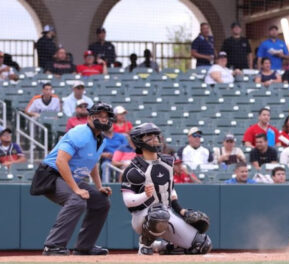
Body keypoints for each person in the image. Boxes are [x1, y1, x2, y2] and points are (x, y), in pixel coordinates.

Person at [34, 102, 113, 256]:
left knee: (101, 201)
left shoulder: (101, 139)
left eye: (106, 117)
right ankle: (53, 246)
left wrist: (99, 187)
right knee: (77, 200)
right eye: (99, 116)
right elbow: (60, 161)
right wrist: (76, 189)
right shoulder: (79, 133)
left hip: (68, 177)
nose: (103, 119)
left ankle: (84, 247)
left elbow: (92, 163)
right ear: (90, 117)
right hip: (50, 175)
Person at [120, 123, 212, 255]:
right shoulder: (133, 169)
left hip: (167, 213)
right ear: (139, 142)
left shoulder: (167, 162)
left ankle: (163, 247)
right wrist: (145, 195)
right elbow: (128, 200)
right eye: (149, 137)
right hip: (143, 216)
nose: (155, 140)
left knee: (202, 245)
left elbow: (169, 191)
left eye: (156, 136)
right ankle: (145, 244)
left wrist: (181, 211)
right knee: (159, 213)